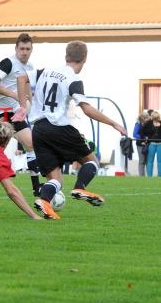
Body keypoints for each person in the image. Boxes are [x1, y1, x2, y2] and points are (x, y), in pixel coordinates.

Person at [14, 40, 126, 219]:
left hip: (38, 129)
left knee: (56, 178)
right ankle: (80, 187)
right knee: (91, 162)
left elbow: (21, 77)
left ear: (66, 55)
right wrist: (113, 123)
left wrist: (22, 106)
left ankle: (44, 201)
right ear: (84, 59)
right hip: (58, 126)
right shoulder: (73, 79)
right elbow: (86, 108)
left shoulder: (45, 71)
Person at [0, 33, 41, 196]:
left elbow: (27, 91)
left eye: (28, 49)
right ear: (16, 48)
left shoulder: (30, 67)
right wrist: (13, 95)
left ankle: (37, 188)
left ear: (32, 50)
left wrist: (32, 110)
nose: (24, 52)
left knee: (31, 144)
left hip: (12, 114)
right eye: (22, 49)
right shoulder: (8, 63)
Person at [142, 110, 161, 177]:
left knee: (160, 161)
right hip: (152, 144)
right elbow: (142, 131)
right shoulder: (149, 123)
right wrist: (147, 137)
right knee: (150, 161)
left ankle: (160, 176)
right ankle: (149, 176)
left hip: (160, 145)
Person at [131, 111, 149, 176]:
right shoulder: (138, 124)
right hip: (140, 144)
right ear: (143, 118)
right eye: (147, 117)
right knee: (142, 160)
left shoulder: (148, 124)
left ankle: (149, 176)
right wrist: (143, 137)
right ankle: (142, 176)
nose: (148, 118)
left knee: (147, 160)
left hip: (147, 144)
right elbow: (134, 134)